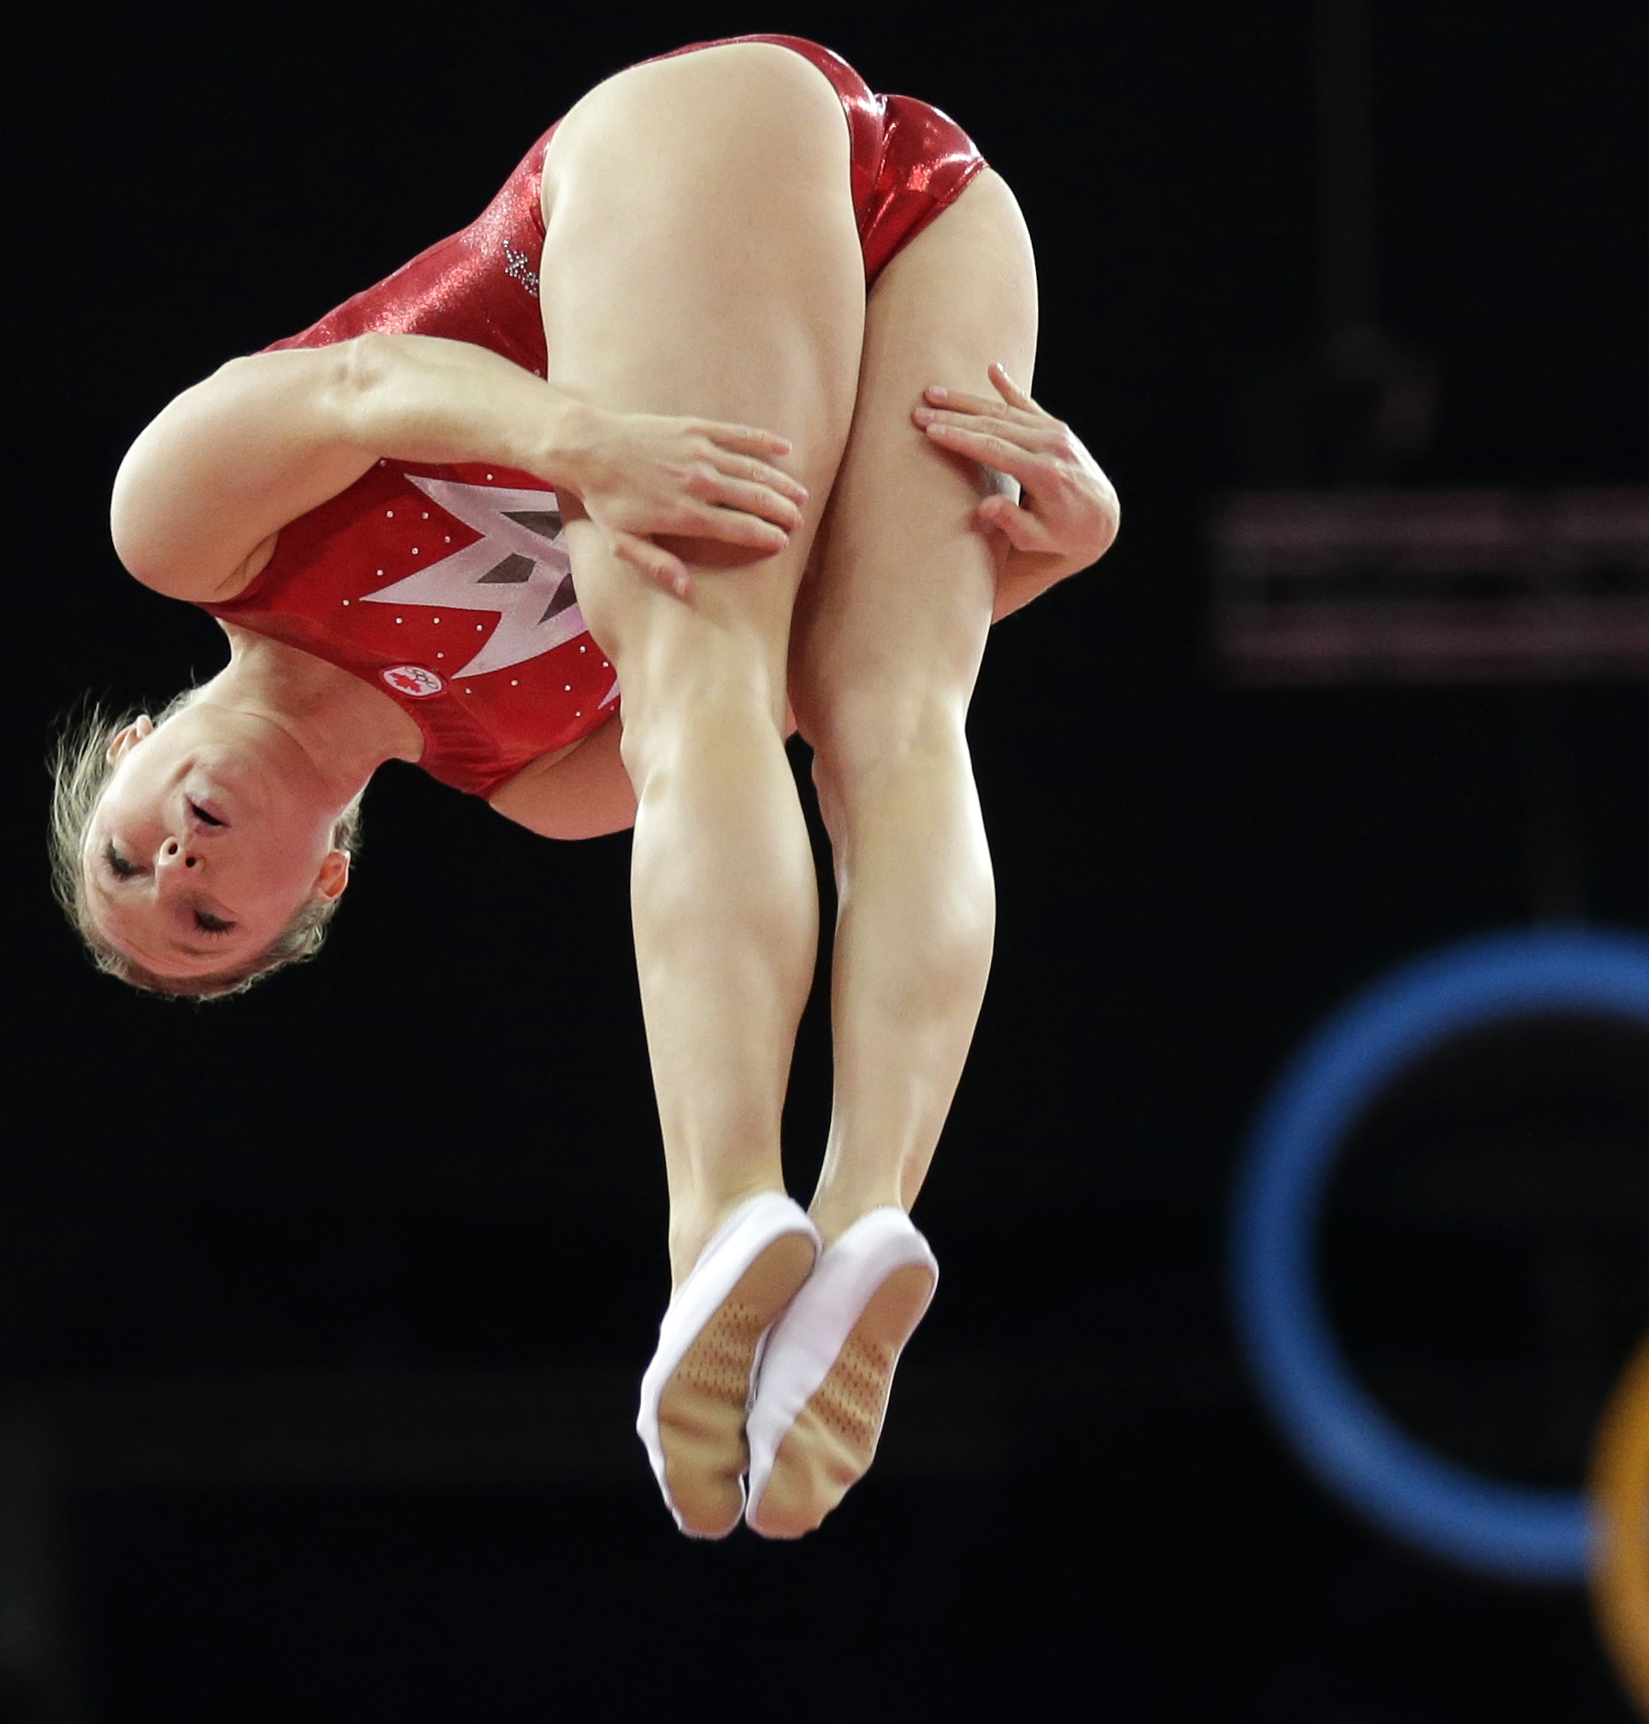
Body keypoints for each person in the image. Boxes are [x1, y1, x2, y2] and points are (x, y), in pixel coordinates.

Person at [60, 35, 1119, 1539]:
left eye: (126, 858)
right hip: (947, 221)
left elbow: (360, 383)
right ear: (322, 884)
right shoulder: (540, 781)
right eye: (211, 922)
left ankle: (718, 1228)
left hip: (700, 143)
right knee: (893, 719)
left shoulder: (177, 535)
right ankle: (858, 1224)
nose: (176, 871)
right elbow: (831, 679)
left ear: (127, 751)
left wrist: (583, 443)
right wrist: (1049, 564)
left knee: (701, 678)